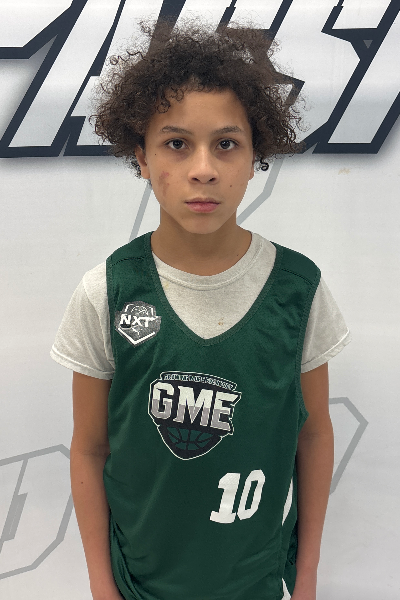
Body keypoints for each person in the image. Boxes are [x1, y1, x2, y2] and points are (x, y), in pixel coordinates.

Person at [50, 19, 351, 600]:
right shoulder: (106, 291)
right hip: (138, 584)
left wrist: (307, 576)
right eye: (177, 143)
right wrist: (101, 586)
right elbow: (89, 449)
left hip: (257, 583)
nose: (204, 168)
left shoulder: (299, 288)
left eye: (227, 144)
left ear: (256, 155)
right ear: (141, 156)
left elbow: (313, 436)